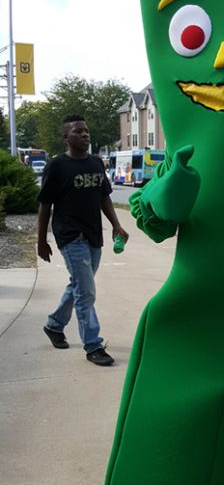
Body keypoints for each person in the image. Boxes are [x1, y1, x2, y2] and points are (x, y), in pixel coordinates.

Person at [37, 115, 129, 367]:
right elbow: (45, 205)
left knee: (79, 286)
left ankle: (54, 325)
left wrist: (116, 225)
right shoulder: (57, 166)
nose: (85, 134)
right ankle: (93, 345)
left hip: (93, 235)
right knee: (86, 291)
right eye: (78, 131)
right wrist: (41, 241)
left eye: (86, 130)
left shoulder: (96, 163)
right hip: (70, 236)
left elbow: (104, 197)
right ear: (66, 137)